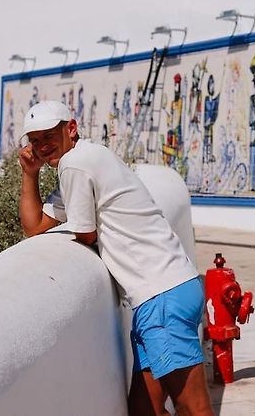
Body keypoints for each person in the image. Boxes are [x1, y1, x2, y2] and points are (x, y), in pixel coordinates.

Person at [18, 100, 214, 416]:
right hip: (166, 292)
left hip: (161, 296)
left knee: (193, 408)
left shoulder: (76, 163)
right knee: (144, 410)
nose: (41, 146)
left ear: (71, 128)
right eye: (35, 140)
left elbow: (85, 233)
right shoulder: (88, 158)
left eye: (48, 135)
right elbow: (35, 227)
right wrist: (29, 174)